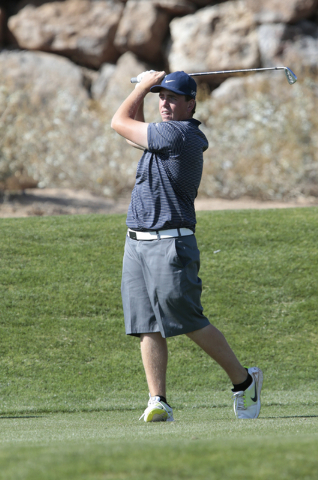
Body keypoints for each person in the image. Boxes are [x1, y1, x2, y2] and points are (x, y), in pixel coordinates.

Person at [111, 70, 263, 422]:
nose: (164, 103)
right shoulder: (164, 134)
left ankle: (244, 381)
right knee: (146, 324)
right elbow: (129, 125)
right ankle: (158, 400)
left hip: (170, 244)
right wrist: (146, 89)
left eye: (173, 98)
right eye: (160, 96)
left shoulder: (177, 135)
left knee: (189, 320)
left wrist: (143, 86)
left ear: (190, 104)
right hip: (136, 241)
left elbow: (118, 121)